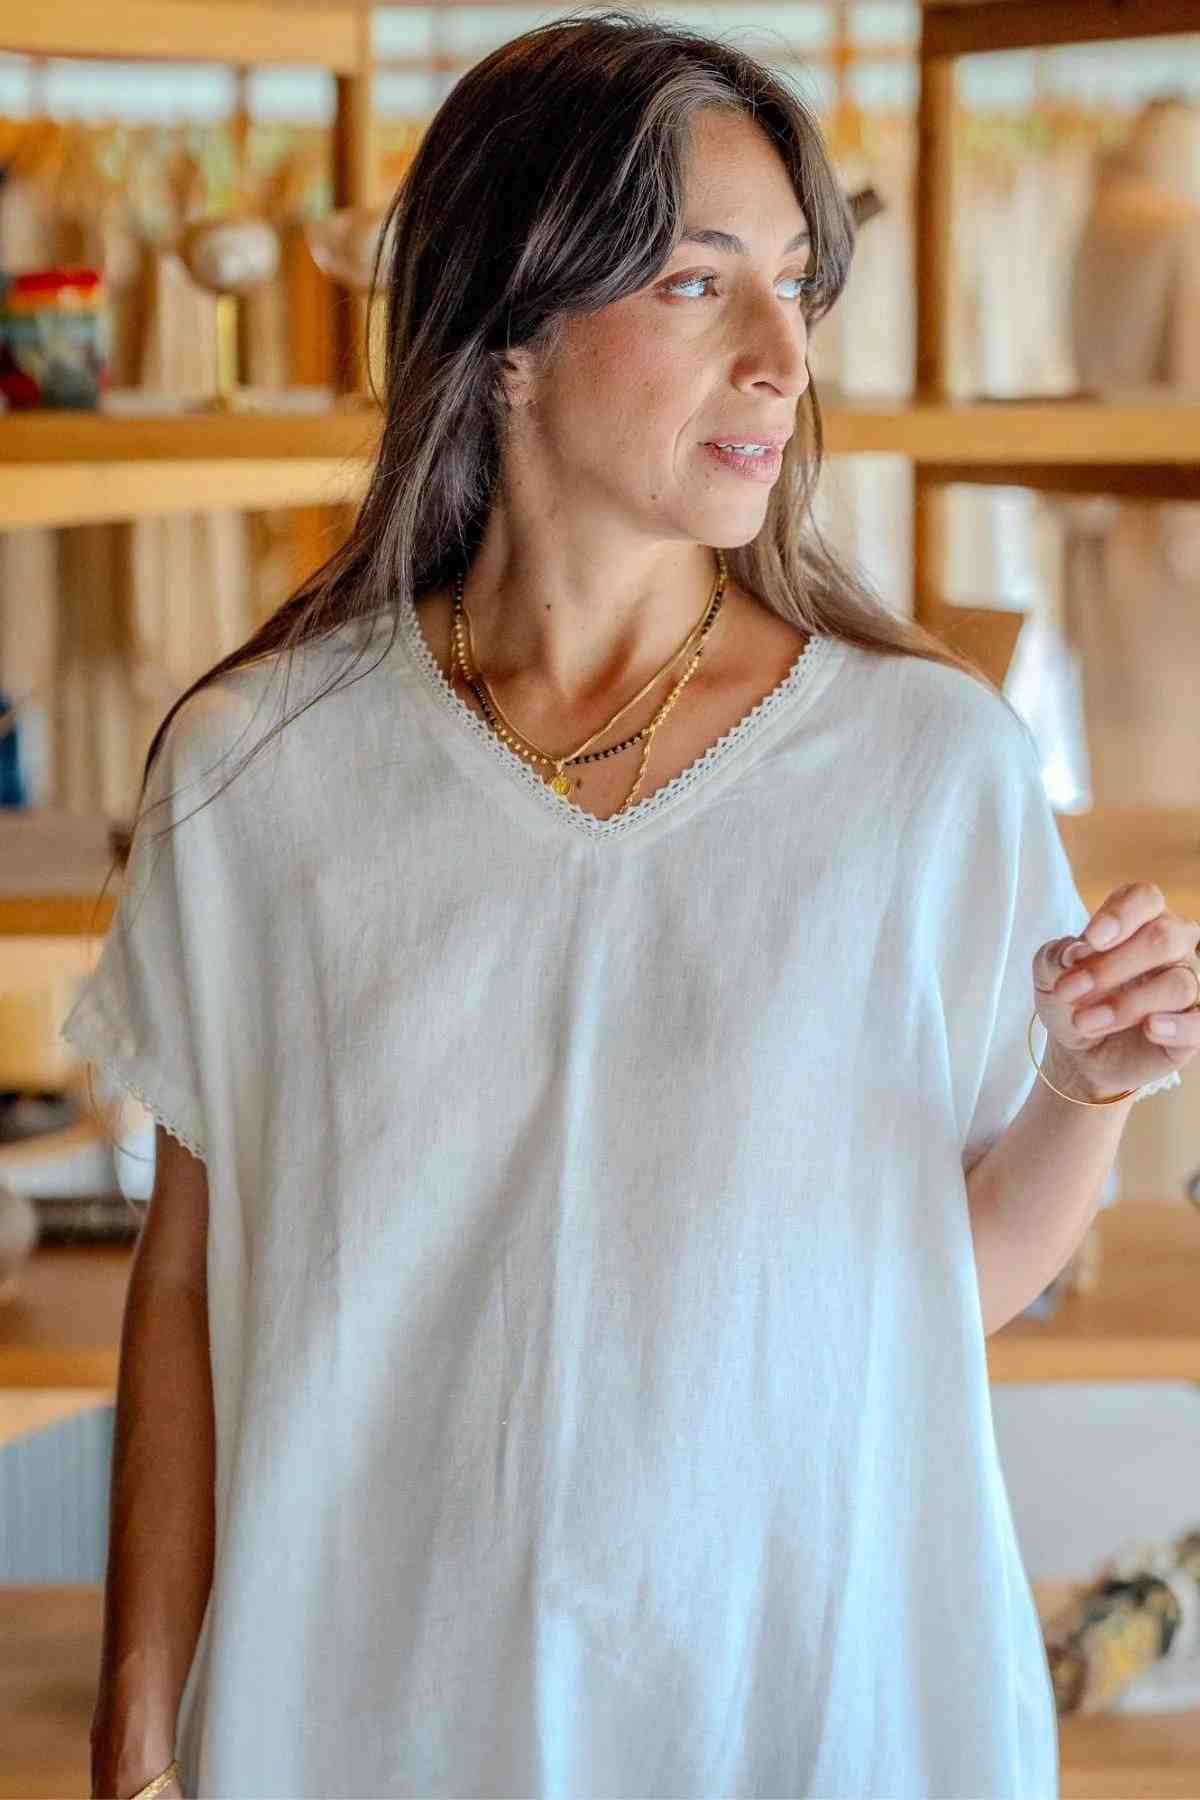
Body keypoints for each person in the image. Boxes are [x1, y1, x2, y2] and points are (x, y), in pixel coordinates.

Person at [62, 10, 1192, 1798]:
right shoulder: (259, 770)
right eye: (695, 282)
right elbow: (189, 1274)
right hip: (367, 1701)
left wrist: (1085, 1089)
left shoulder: (927, 768)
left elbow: (931, 1289)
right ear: (508, 329)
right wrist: (136, 1722)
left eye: (799, 291)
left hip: (804, 1693)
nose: (780, 358)